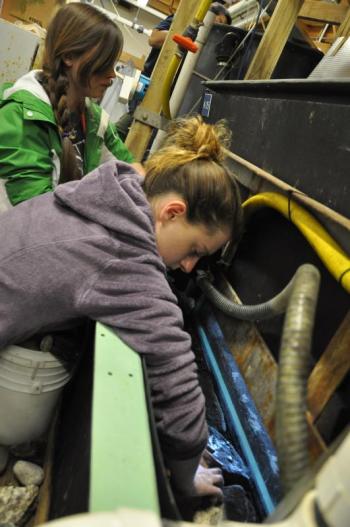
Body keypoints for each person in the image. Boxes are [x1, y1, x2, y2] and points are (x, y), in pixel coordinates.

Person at [0, 115, 243, 498]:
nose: (189, 266)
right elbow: (179, 392)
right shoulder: (125, 258)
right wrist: (185, 478)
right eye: (196, 250)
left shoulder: (112, 190)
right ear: (173, 212)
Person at [0, 2, 141, 210]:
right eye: (104, 62)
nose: (112, 75)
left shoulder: (95, 121)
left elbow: (133, 171)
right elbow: (35, 214)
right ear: (69, 57)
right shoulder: (20, 117)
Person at [115, 3, 232, 141]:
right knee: (119, 132)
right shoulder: (182, 20)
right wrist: (186, 33)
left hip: (175, 105)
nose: (214, 29)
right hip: (150, 94)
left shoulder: (209, 49)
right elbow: (154, 39)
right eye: (216, 21)